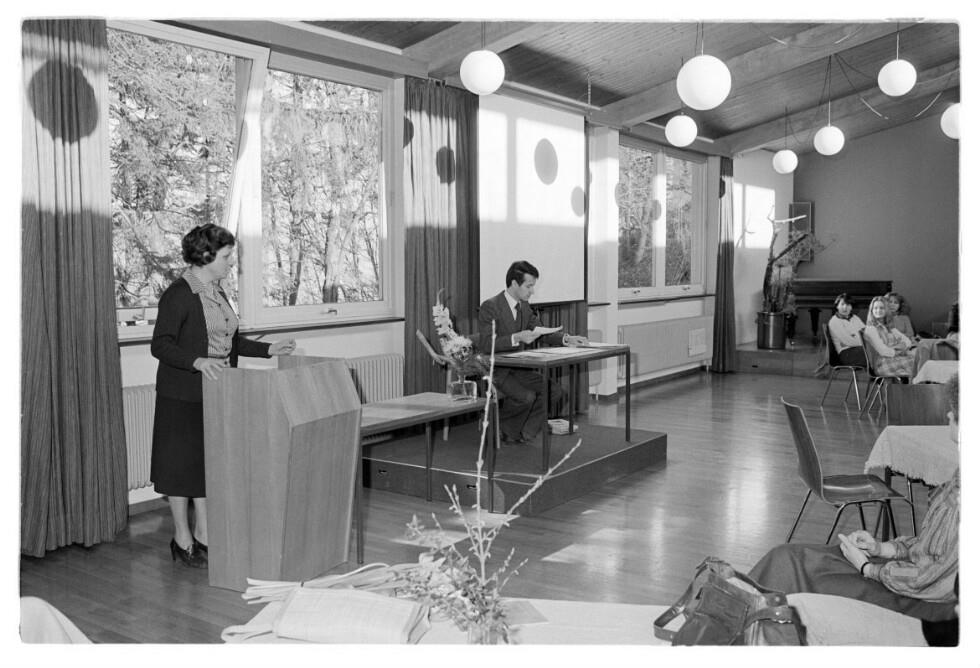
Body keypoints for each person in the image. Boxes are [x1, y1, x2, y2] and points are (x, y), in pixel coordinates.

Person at [748, 375, 960, 623]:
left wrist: (868, 568)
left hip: (918, 604)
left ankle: (735, 618)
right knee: (788, 557)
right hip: (904, 580)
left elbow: (927, 581)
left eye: (955, 413)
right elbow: (931, 548)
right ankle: (738, 615)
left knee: (791, 566)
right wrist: (882, 548)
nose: (948, 415)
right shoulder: (960, 479)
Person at [150, 224, 296, 568]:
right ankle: (182, 538)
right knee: (179, 469)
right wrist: (197, 361)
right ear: (206, 255)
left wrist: (269, 349)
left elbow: (228, 340)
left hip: (216, 392)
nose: (232, 262)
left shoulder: (215, 292)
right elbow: (161, 345)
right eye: (227, 256)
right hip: (182, 395)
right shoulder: (179, 294)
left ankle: (204, 534)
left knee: (205, 465)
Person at [478, 260, 587, 444]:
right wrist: (516, 337)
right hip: (497, 370)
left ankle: (525, 431)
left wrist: (566, 339)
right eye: (529, 286)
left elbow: (539, 330)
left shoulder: (524, 306)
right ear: (514, 283)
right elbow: (487, 344)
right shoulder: (490, 306)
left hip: (519, 368)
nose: (532, 291)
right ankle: (500, 427)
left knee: (555, 391)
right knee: (527, 397)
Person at [863, 295, 916, 377]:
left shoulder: (889, 327)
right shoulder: (871, 329)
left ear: (886, 310)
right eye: (875, 308)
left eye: (881, 308)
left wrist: (894, 348)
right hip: (882, 364)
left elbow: (908, 342)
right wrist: (899, 348)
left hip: (893, 359)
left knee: (919, 360)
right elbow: (883, 351)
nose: (878, 310)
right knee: (917, 363)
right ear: (871, 310)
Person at [826, 293, 865, 367]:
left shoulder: (855, 318)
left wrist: (858, 339)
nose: (845, 307)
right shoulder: (834, 321)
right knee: (874, 352)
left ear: (851, 307)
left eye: (848, 304)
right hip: (845, 353)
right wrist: (864, 342)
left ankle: (877, 374)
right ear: (837, 306)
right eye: (842, 304)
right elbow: (849, 341)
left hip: (859, 348)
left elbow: (866, 333)